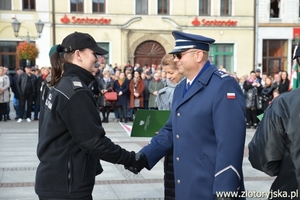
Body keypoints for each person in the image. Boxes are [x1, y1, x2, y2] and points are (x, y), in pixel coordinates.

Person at [126, 31, 246, 200]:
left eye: (179, 55)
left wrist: (226, 189)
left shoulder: (223, 85)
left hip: (210, 186)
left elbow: (230, 143)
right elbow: (170, 130)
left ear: (198, 55)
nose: (175, 59)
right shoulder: (181, 89)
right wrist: (145, 156)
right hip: (185, 183)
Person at [35, 32, 145, 200]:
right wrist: (131, 159)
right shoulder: (75, 91)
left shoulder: (60, 84)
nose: (97, 59)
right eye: (94, 53)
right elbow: (94, 141)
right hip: (67, 186)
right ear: (78, 55)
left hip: (55, 179)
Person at [155, 54, 184, 200]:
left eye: (171, 73)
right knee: (171, 183)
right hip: (169, 145)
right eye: (165, 73)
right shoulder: (163, 93)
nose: (168, 76)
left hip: (183, 146)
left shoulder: (187, 90)